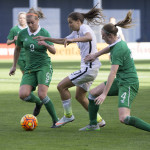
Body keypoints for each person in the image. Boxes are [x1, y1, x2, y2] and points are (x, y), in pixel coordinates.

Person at [34, 6, 107, 128]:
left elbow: (89, 37)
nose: (69, 25)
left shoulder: (84, 28)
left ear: (78, 21)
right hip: (90, 68)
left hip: (88, 69)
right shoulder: (77, 32)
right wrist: (46, 39)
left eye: (71, 22)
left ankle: (68, 115)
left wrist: (73, 40)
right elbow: (63, 40)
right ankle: (99, 120)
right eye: (68, 23)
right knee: (79, 96)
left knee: (61, 86)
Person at [80, 10, 150, 131]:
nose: (102, 39)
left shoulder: (119, 50)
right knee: (92, 94)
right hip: (121, 80)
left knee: (124, 118)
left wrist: (104, 94)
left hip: (129, 83)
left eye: (103, 37)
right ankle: (93, 125)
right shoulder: (116, 43)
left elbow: (112, 73)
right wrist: (95, 55)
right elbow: (109, 47)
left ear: (110, 36)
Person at [9, 8, 59, 128]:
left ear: (37, 21)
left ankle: (56, 121)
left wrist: (46, 44)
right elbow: (17, 49)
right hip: (29, 68)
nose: (30, 25)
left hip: (43, 66)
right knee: (23, 94)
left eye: (32, 22)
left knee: (42, 94)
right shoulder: (22, 34)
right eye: (28, 23)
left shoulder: (44, 33)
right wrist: (14, 65)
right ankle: (38, 102)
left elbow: (54, 51)